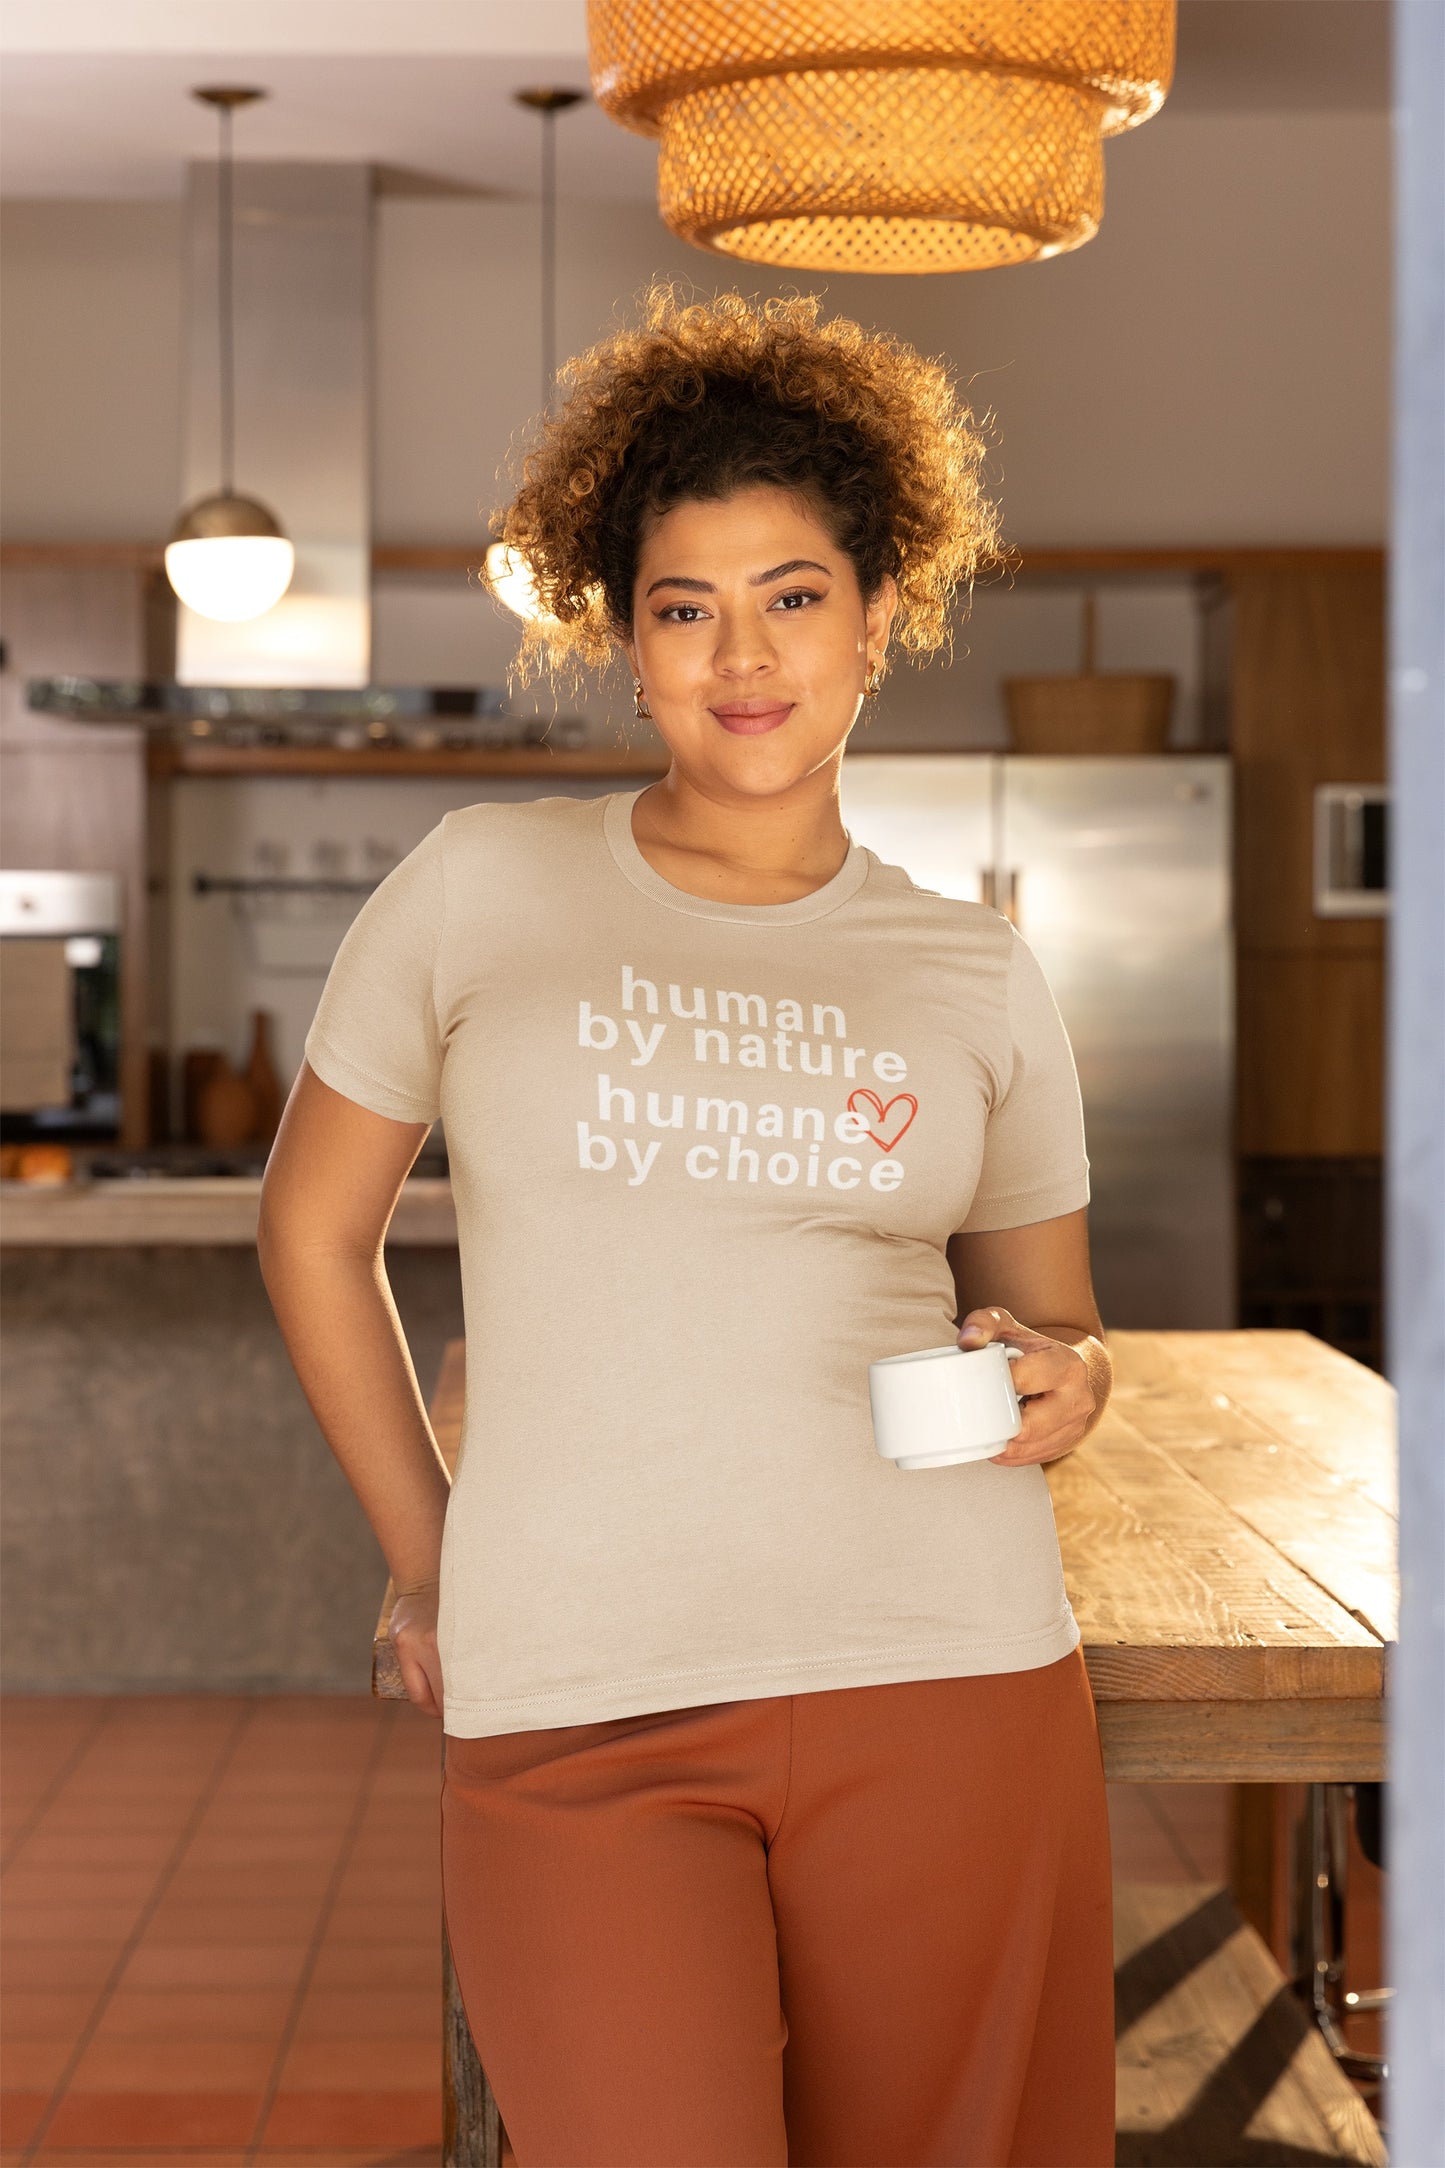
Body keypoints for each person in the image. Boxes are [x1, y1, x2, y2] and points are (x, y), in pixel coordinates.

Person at [259, 285, 1115, 2168]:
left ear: (878, 620)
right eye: (683, 606)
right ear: (622, 643)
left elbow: (1057, 1324)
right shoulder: (483, 886)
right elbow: (310, 1232)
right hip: (580, 1692)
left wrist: (1061, 1380)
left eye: (792, 595)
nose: (744, 655)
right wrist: (429, 1558)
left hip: (945, 1677)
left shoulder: (973, 971)